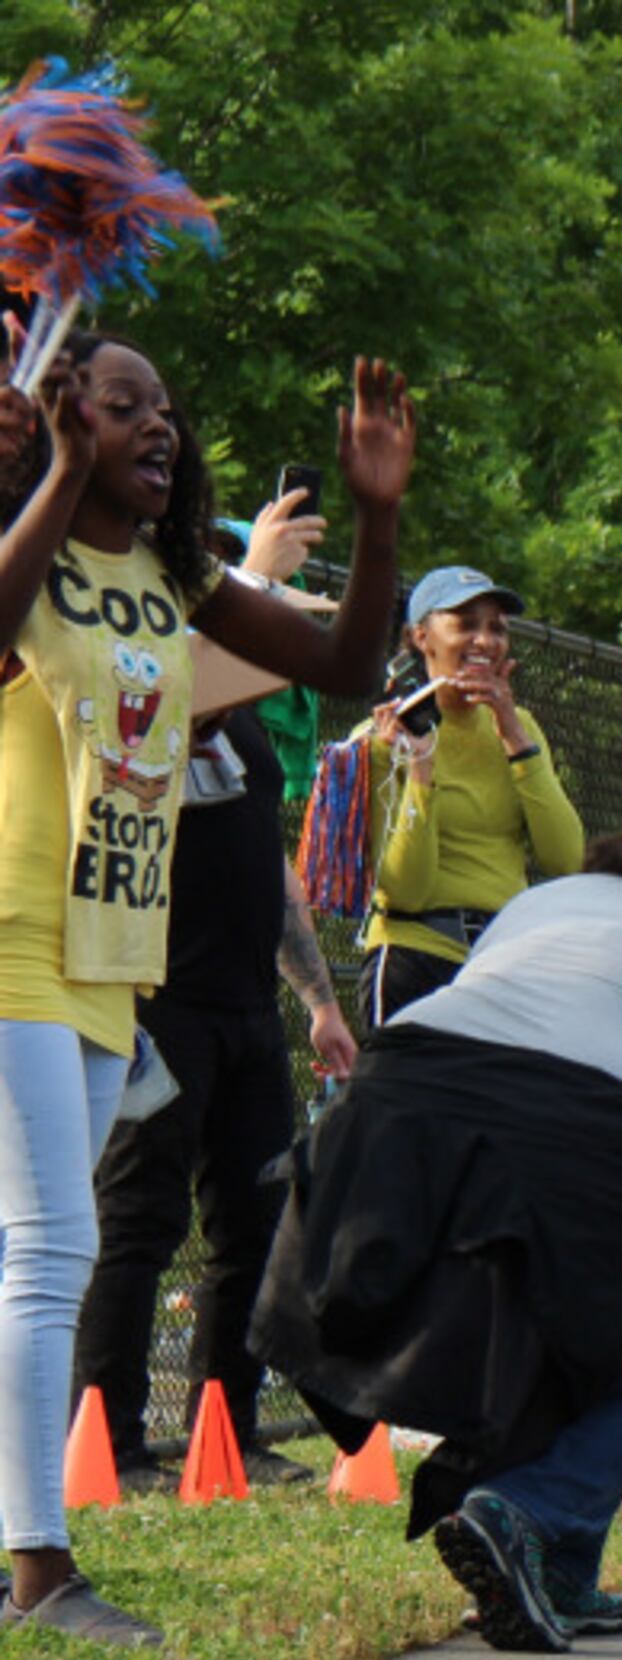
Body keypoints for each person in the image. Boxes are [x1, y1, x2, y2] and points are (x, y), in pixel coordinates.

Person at [0, 343, 412, 1644]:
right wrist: (53, 476)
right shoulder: (31, 548)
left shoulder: (168, 577)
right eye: (121, 405)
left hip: (111, 952)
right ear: (60, 417)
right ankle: (40, 1572)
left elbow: (346, 663)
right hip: (12, 926)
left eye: (167, 408)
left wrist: (377, 509)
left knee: (33, 1250)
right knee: (56, 1243)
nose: (157, 425)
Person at [317, 783, 622, 1651]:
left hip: (397, 1103)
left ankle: (557, 1577)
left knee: (567, 1350)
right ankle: (516, 1515)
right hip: (579, 1138)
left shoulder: (549, 898)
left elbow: (547, 1069)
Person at [74, 506, 362, 1495]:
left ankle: (225, 1437)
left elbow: (271, 869)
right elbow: (161, 712)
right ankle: (105, 1446)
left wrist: (318, 998)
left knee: (253, 1221)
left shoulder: (237, 718)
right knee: (139, 1219)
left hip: (246, 1010)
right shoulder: (144, 682)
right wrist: (262, 577)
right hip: (159, 1000)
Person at [355, 563, 584, 1023]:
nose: (485, 640)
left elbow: (568, 859)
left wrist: (515, 735)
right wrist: (421, 773)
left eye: (497, 628)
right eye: (465, 624)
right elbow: (406, 892)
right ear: (421, 637)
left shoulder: (519, 728)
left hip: (504, 964)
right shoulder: (379, 740)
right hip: (415, 959)